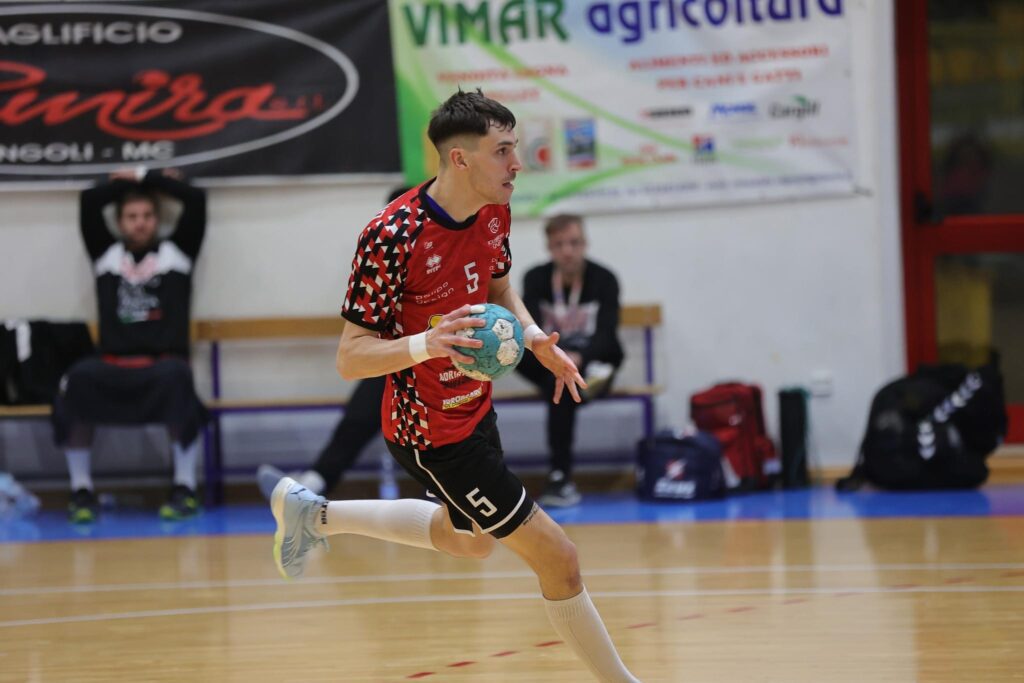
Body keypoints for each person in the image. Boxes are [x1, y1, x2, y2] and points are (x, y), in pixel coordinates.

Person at [270, 90, 641, 682]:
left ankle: (312, 515)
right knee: (559, 558)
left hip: (474, 407)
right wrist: (428, 344)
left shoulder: (495, 209)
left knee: (469, 542)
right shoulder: (391, 235)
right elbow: (350, 358)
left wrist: (534, 336)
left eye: (515, 148)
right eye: (504, 151)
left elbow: (498, 286)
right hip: (429, 430)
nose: (518, 164)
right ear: (461, 159)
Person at [54, 167, 208, 523]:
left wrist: (147, 175)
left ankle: (184, 486)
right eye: (132, 216)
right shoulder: (106, 254)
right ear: (120, 222)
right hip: (113, 363)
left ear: (157, 219)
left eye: (147, 215)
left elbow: (196, 200)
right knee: (78, 378)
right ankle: (81, 489)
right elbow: (89, 201)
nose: (140, 223)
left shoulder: (178, 252)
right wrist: (126, 182)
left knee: (179, 379)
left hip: (162, 363)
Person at [256, 188, 412, 499]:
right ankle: (311, 488)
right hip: (394, 364)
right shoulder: (381, 266)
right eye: (394, 219)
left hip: (441, 368)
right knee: (357, 419)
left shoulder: (450, 258)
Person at [517, 214, 624, 506]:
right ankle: (559, 478)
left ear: (585, 244)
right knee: (537, 365)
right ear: (549, 248)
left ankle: (559, 477)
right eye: (559, 244)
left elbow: (607, 334)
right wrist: (557, 359)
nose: (567, 251)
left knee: (564, 384)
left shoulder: (605, 279)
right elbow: (530, 329)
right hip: (549, 361)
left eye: (574, 243)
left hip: (590, 360)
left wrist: (578, 357)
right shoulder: (535, 278)